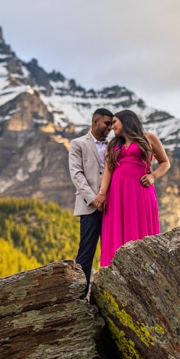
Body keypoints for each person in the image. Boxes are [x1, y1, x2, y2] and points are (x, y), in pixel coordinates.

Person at [94, 109, 170, 267]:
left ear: (126, 120)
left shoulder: (148, 138)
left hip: (141, 192)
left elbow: (165, 162)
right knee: (116, 231)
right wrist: (102, 194)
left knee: (141, 233)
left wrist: (153, 176)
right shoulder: (113, 145)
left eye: (114, 122)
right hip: (116, 194)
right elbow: (108, 170)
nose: (112, 127)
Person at [68, 108, 114, 290]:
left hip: (112, 205)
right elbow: (77, 174)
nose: (110, 127)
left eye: (112, 124)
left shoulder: (114, 145)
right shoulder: (78, 143)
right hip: (90, 206)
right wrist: (94, 199)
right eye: (107, 123)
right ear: (95, 122)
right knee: (86, 252)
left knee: (113, 249)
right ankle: (81, 294)